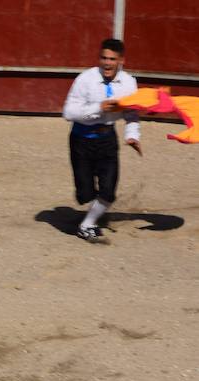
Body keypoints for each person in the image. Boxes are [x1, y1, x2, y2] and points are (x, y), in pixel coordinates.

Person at [62, 38, 141, 243]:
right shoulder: (85, 79)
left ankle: (87, 224)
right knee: (85, 193)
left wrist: (132, 136)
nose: (107, 63)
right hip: (81, 140)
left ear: (121, 60)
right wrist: (99, 108)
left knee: (108, 189)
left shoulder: (128, 83)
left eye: (112, 59)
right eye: (104, 58)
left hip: (107, 140)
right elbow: (68, 112)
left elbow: (132, 113)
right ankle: (92, 208)